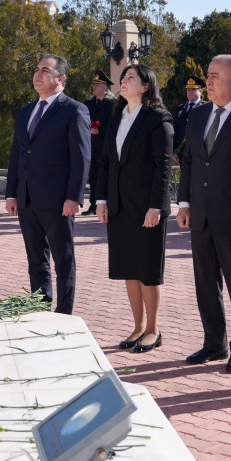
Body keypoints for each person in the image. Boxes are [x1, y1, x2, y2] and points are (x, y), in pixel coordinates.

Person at [177, 55, 231, 373]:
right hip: (201, 213)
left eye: (213, 76)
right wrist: (184, 204)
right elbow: (190, 161)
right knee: (205, 283)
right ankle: (214, 343)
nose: (207, 81)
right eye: (207, 75)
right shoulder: (198, 115)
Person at [95, 64, 174, 354]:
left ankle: (153, 329)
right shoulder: (116, 117)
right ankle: (138, 326)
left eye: (131, 78)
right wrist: (102, 199)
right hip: (119, 204)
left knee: (148, 268)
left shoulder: (158, 119)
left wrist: (157, 206)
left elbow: (163, 166)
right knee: (129, 266)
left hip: (146, 207)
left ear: (146, 86)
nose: (123, 81)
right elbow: (105, 161)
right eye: (123, 77)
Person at [5, 55, 90, 315]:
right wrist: (12, 193)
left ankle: (63, 314)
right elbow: (17, 155)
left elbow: (81, 156)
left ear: (61, 78)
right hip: (27, 199)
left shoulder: (74, 110)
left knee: (63, 261)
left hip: (58, 201)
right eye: (37, 69)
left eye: (45, 70)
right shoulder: (25, 111)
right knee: (36, 259)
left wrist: (74, 196)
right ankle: (39, 308)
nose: (38, 74)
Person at [81, 70, 116, 216]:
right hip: (91, 147)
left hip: (105, 147)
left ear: (105, 88)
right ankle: (93, 204)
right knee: (93, 176)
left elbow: (114, 125)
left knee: (105, 176)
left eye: (98, 84)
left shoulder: (112, 104)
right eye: (94, 84)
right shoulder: (88, 103)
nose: (94, 87)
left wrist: (99, 131)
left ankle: (106, 203)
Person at [173, 76, 204, 152]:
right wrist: (174, 151)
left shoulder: (206, 108)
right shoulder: (180, 109)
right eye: (188, 89)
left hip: (199, 152)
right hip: (182, 152)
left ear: (201, 91)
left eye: (193, 89)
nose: (190, 92)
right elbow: (175, 131)